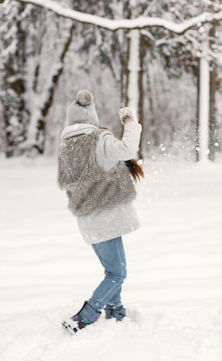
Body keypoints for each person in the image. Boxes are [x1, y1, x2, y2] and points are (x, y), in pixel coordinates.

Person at [57, 89, 143, 335]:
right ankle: (85, 315)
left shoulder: (67, 146)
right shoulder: (99, 139)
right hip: (106, 217)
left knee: (112, 270)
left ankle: (116, 312)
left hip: (87, 219)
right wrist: (130, 122)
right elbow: (127, 149)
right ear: (91, 118)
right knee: (117, 273)